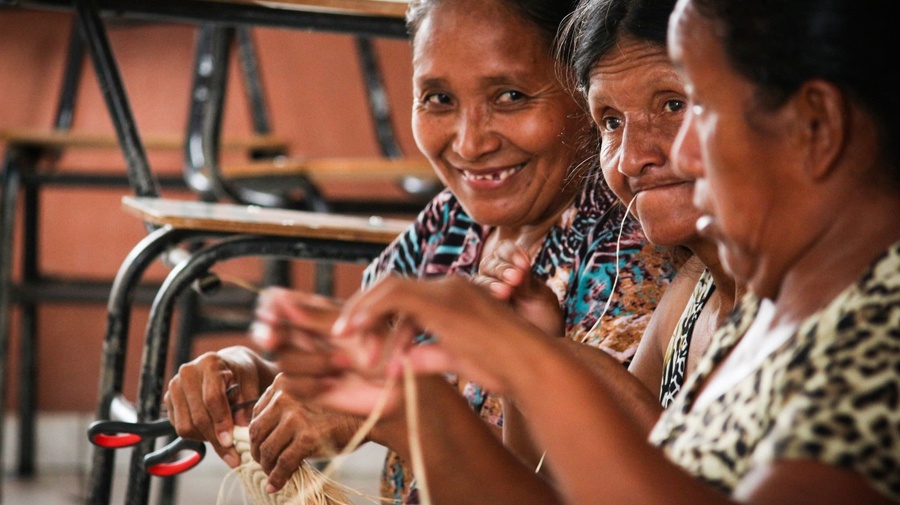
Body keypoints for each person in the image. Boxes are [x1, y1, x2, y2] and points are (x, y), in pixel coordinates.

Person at [322, 0, 900, 502]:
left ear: (816, 124)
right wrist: (435, 400)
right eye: (611, 122)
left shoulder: (882, 324)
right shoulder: (755, 302)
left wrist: (529, 365)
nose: (639, 158)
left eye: (693, 107)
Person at [163, 0, 675, 501]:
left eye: (511, 96)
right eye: (438, 99)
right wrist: (257, 378)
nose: (470, 143)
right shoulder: (451, 224)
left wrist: (393, 410)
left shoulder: (631, 258)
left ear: (585, 95)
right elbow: (359, 361)